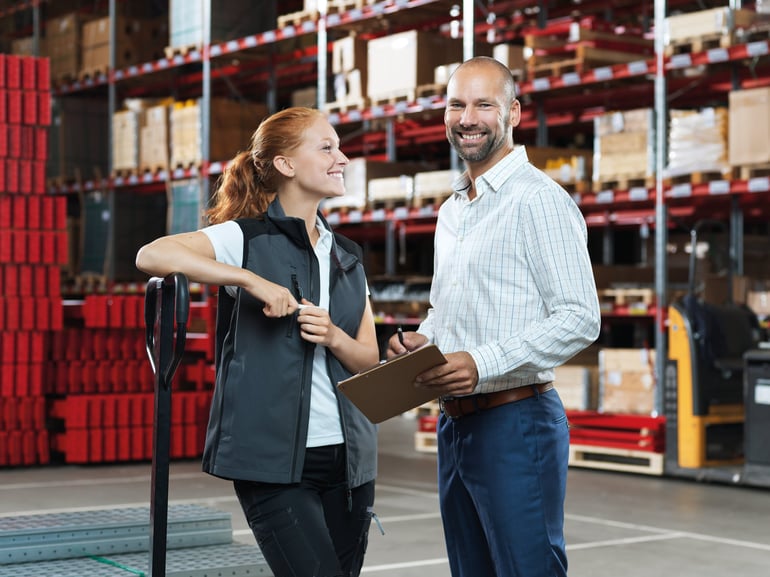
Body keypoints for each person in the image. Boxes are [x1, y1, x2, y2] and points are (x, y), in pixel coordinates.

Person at [136, 107, 380, 577]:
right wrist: (250, 281)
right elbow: (154, 255)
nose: (342, 158)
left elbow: (367, 358)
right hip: (272, 465)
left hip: (349, 465)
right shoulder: (245, 238)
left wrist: (331, 336)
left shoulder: (348, 255)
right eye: (326, 147)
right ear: (286, 165)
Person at [387, 57, 601, 577]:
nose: (468, 118)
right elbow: (448, 306)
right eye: (456, 104)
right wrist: (425, 339)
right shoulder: (453, 210)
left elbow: (580, 316)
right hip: (455, 426)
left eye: (484, 104)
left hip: (516, 422)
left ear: (514, 113)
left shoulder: (538, 201)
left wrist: (480, 363)